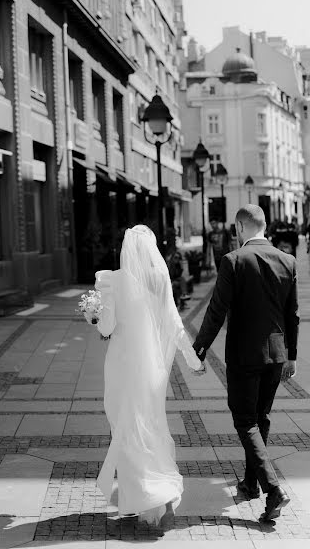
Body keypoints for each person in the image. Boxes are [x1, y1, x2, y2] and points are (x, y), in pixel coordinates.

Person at [192, 205, 299, 522]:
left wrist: (199, 349)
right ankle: (250, 483)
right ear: (264, 226)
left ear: (240, 227)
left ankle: (272, 489)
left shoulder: (233, 261)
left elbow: (216, 310)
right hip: (276, 354)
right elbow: (291, 315)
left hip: (244, 355)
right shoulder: (288, 260)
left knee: (245, 420)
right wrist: (292, 355)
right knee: (261, 417)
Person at [94, 225, 204, 527]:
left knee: (126, 430)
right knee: (150, 427)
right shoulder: (160, 281)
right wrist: (194, 361)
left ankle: (148, 499)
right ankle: (145, 499)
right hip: (151, 372)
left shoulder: (114, 282)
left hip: (121, 367)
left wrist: (94, 314)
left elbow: (106, 327)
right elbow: (175, 325)